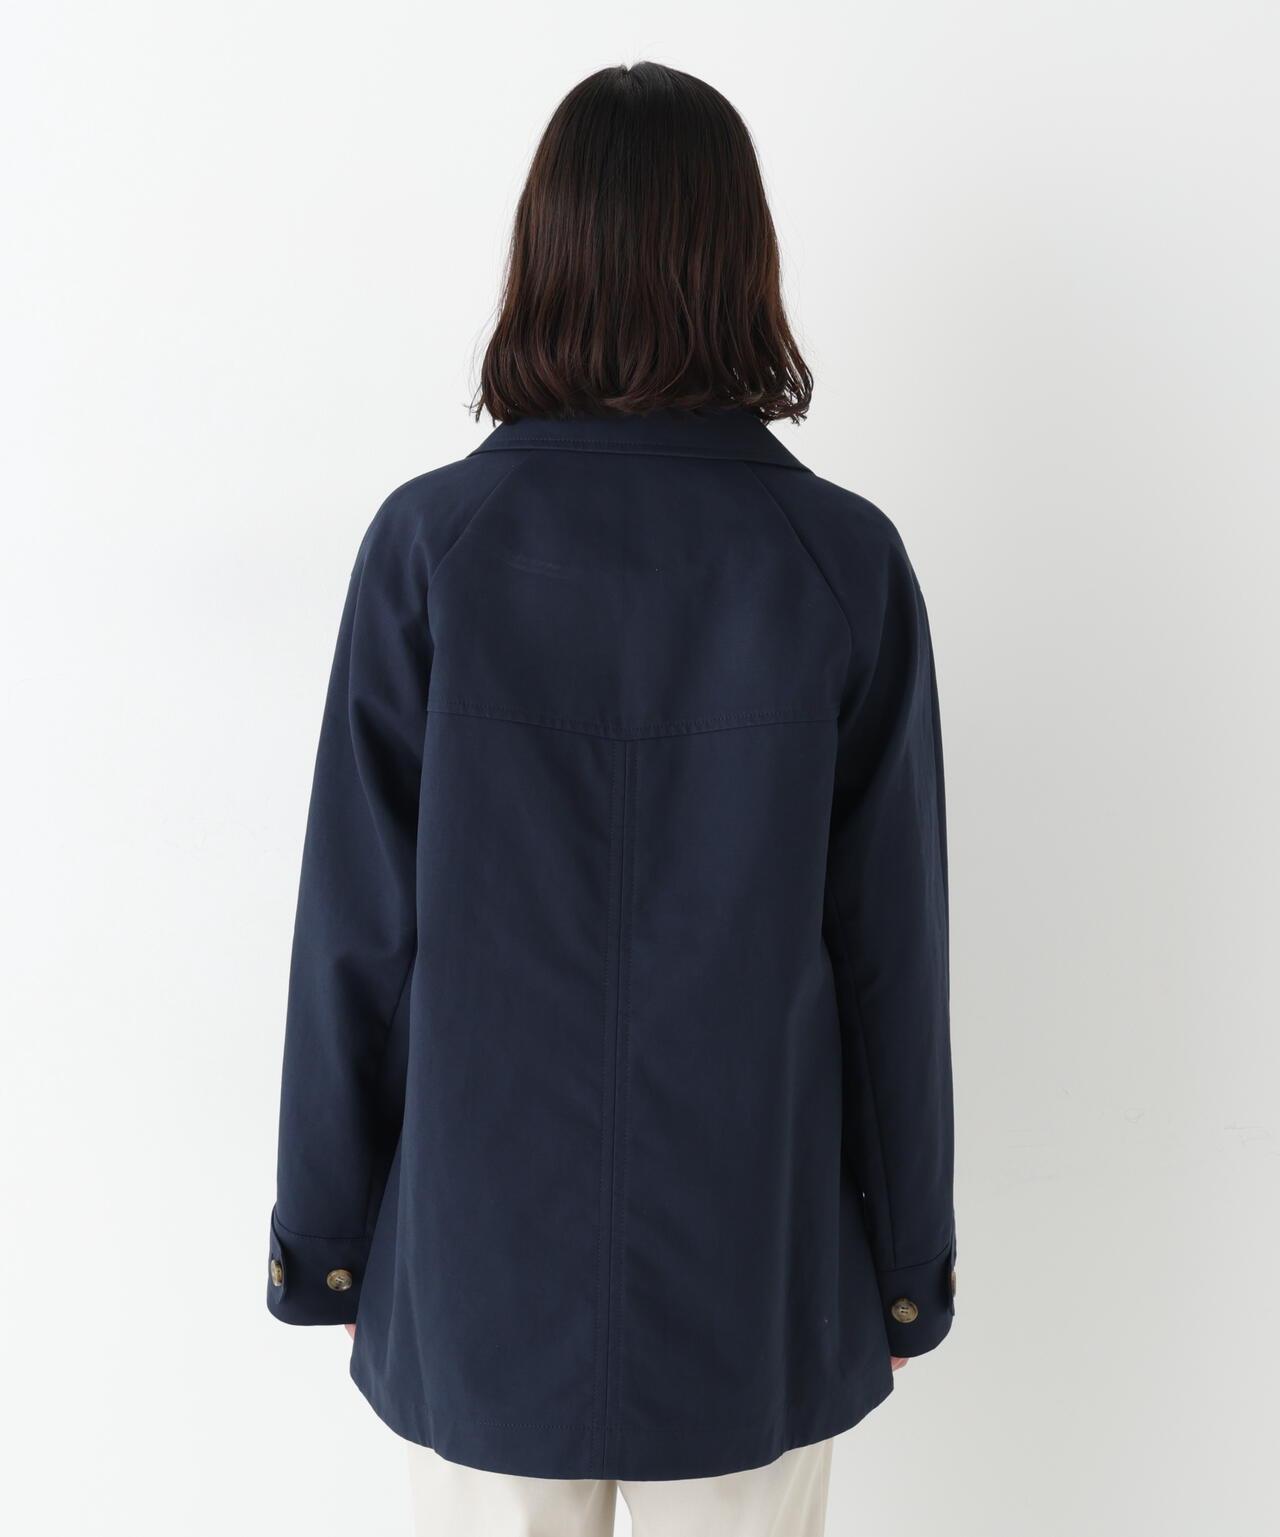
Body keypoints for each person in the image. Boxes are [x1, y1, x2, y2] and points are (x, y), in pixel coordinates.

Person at [266, 60, 956, 1537]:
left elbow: (355, 940)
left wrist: (329, 1244)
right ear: (742, 262)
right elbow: (890, 957)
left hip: (479, 1268)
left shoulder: (430, 548)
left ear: (545, 255)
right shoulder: (842, 561)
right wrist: (905, 1269)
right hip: (756, 1266)